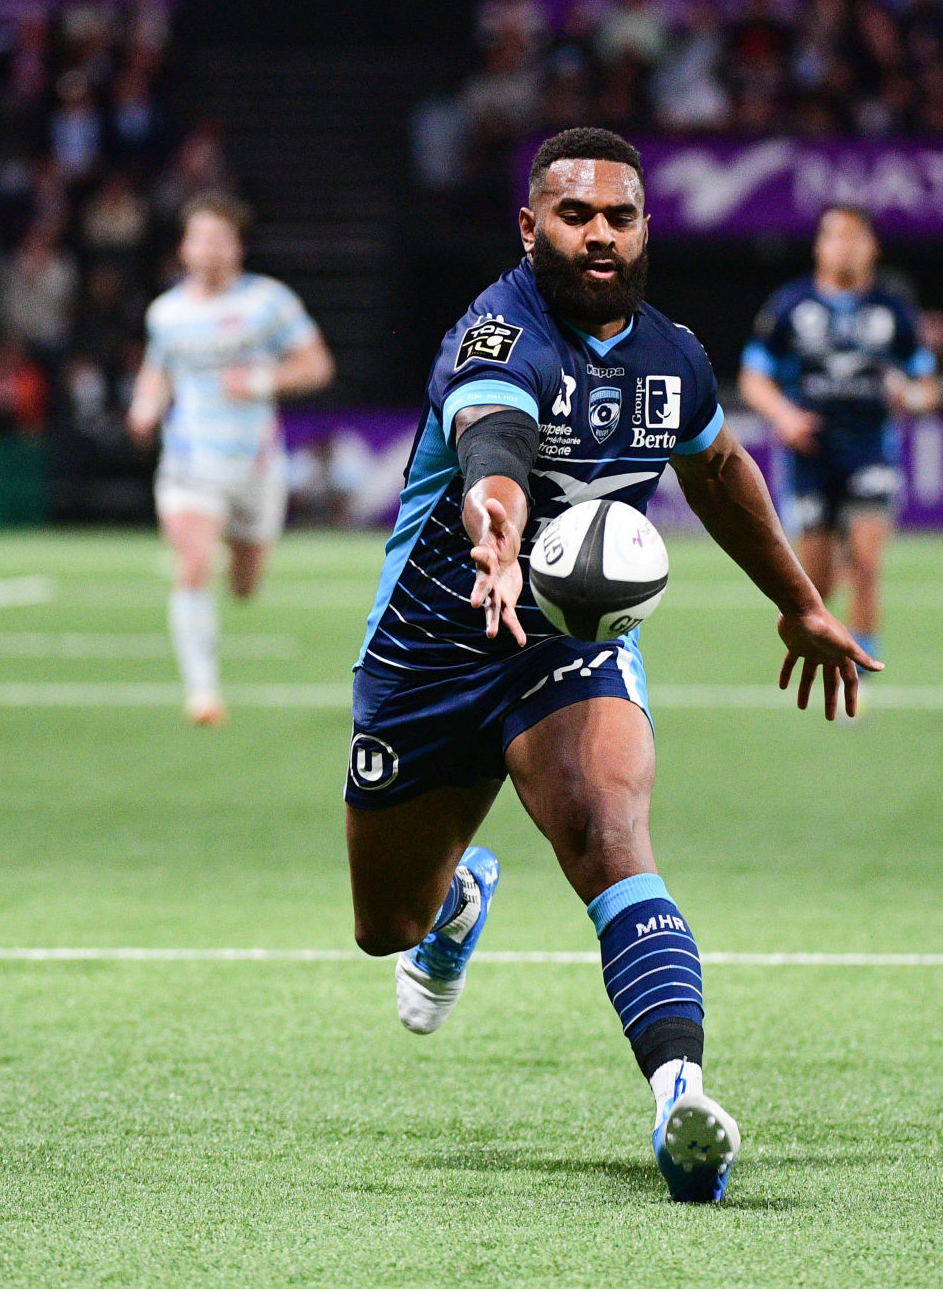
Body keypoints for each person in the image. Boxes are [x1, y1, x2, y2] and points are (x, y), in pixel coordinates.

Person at [345, 128, 875, 1204]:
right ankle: (456, 901)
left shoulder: (672, 356)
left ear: (644, 230)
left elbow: (720, 468)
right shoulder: (499, 334)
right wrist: (496, 535)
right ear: (530, 224)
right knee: (384, 926)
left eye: (618, 217)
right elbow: (492, 448)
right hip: (432, 652)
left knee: (610, 832)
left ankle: (682, 1101)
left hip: (568, 647)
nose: (598, 235)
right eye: (574, 215)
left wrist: (801, 601)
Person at [127, 197, 333, 725]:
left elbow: (316, 366)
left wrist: (261, 380)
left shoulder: (270, 302)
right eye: (199, 238)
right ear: (184, 246)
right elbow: (159, 369)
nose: (209, 248)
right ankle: (202, 694)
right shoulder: (166, 313)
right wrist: (145, 406)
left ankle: (235, 561)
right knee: (192, 565)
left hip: (254, 466)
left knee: (243, 586)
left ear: (236, 245)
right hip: (190, 460)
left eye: (220, 238)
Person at [736, 204, 936, 687]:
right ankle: (829, 642)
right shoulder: (790, 305)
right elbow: (753, 378)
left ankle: (862, 677)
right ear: (818, 246)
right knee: (816, 582)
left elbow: (927, 387)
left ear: (873, 247)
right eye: (834, 236)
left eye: (855, 236)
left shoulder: (893, 310)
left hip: (869, 450)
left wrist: (907, 394)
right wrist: (785, 416)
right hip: (809, 455)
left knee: (867, 566)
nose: (845, 245)